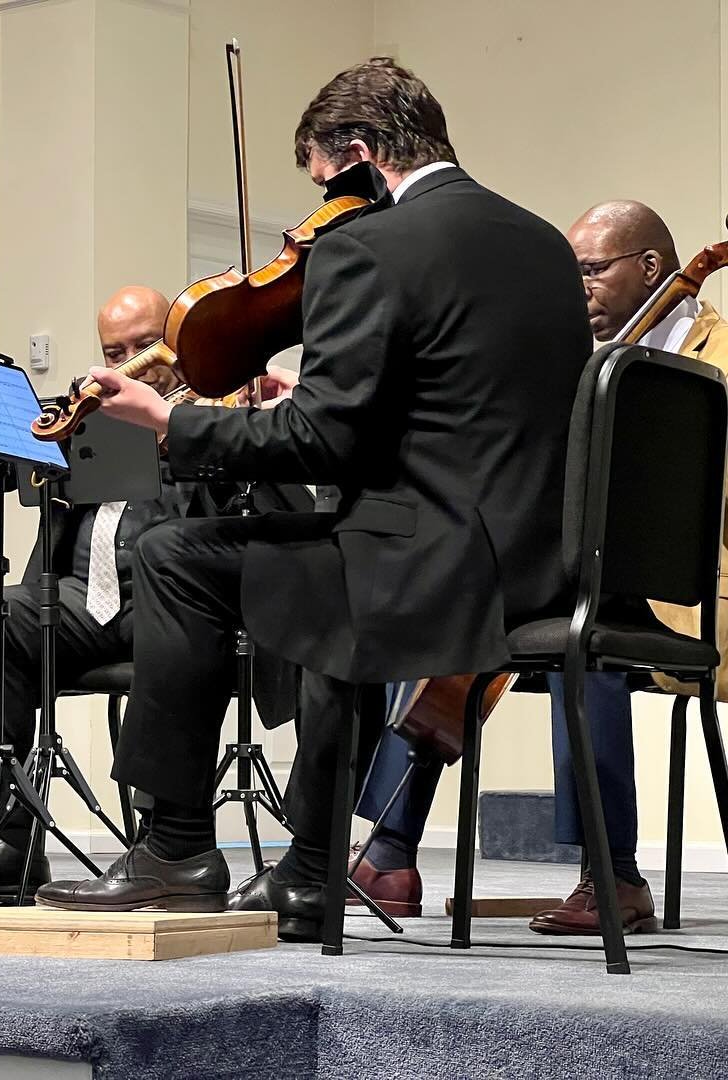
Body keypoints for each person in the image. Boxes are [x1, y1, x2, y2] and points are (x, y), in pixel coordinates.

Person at [33, 58, 592, 941]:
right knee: (326, 537)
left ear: (362, 154)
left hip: (428, 569)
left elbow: (323, 441)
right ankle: (310, 870)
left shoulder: (367, 246)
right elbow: (456, 409)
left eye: (326, 181)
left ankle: (175, 846)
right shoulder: (541, 244)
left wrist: (170, 424)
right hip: (541, 566)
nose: (326, 206)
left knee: (177, 555)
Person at [351, 200, 728, 935]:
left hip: (674, 595)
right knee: (444, 612)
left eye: (591, 270)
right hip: (574, 582)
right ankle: (392, 852)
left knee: (583, 640)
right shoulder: (573, 360)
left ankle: (615, 873)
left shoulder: (717, 354)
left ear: (652, 268)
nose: (577, 287)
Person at [0, 286, 299, 901]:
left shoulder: (218, 412)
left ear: (177, 344)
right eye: (114, 351)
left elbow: (281, 511)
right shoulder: (91, 412)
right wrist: (35, 431)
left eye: (145, 347)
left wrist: (192, 439)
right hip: (79, 599)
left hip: (179, 603)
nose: (132, 363)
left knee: (171, 620)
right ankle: (7, 841)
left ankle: (163, 842)